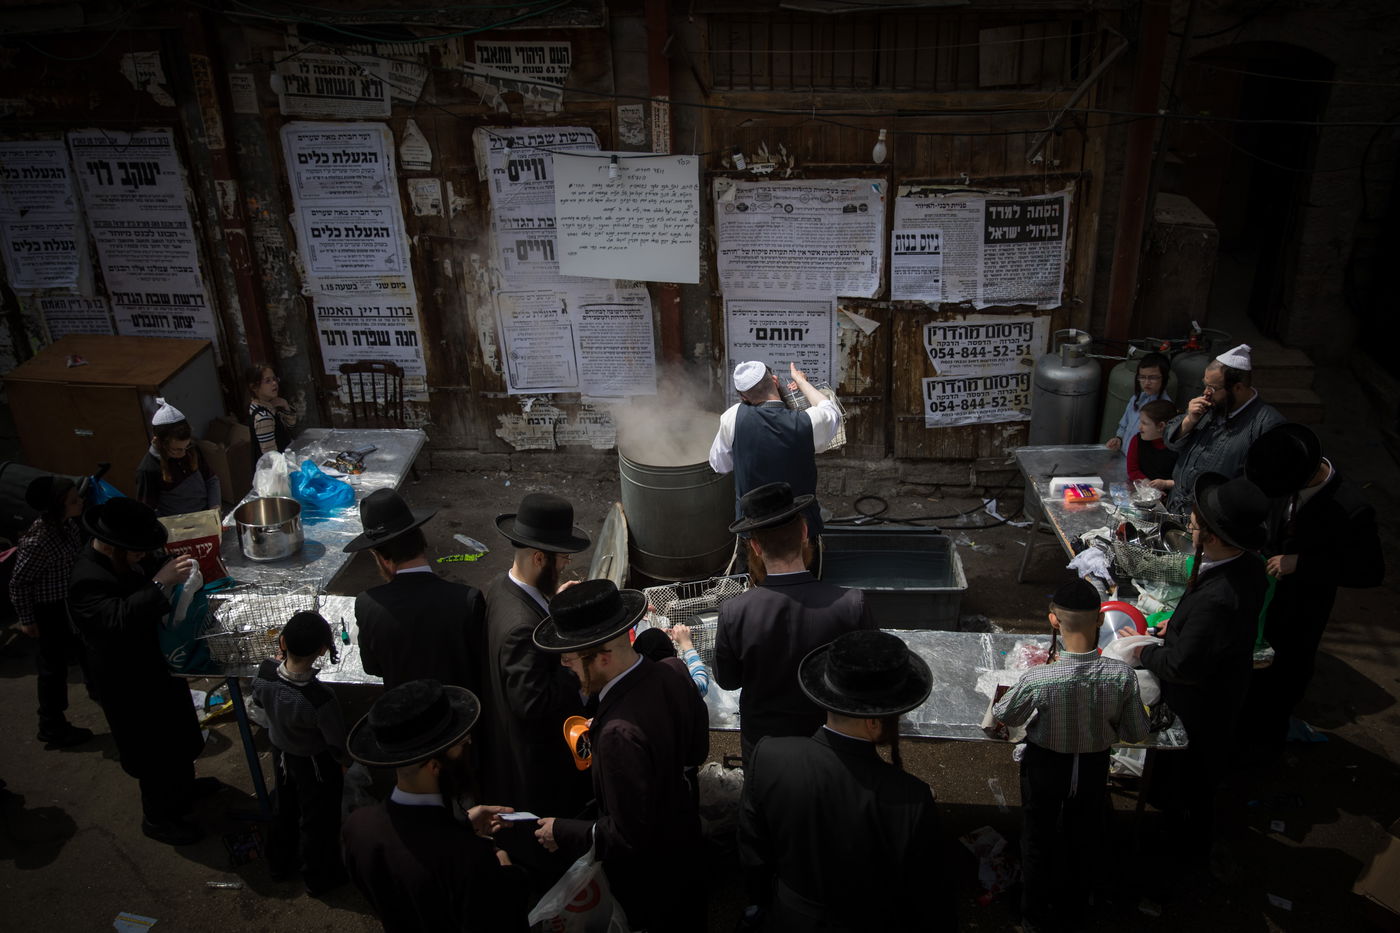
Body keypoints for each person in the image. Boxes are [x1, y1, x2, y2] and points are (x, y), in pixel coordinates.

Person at [738, 629, 954, 933]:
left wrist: (769, 902)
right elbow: (926, 899)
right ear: (874, 721)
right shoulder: (911, 798)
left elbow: (753, 855)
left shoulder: (769, 757)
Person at [532, 580, 710, 932]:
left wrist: (561, 831)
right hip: (686, 843)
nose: (565, 666)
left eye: (570, 657)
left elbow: (627, 836)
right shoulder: (673, 672)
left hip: (652, 881)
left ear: (603, 657)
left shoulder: (617, 734)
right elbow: (696, 751)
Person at [992, 578, 1150, 933]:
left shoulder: (1040, 678)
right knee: (1085, 836)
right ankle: (1076, 909)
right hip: (1093, 768)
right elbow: (1135, 732)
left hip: (1046, 768)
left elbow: (1006, 716)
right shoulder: (1122, 676)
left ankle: (1032, 914)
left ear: (1053, 620)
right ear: (1100, 619)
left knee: (1037, 836)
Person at [1135, 473, 1270, 867]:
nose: (1189, 527)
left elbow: (1182, 666)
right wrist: (1177, 626)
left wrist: (1142, 651)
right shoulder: (1247, 565)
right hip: (1224, 681)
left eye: (1194, 524)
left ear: (1211, 535)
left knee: (1189, 779)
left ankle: (1181, 855)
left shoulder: (1220, 598)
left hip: (1202, 702)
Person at [68, 497, 212, 846]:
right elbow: (117, 621)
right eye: (137, 552)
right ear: (112, 545)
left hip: (157, 668)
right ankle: (159, 818)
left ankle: (184, 790)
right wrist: (159, 583)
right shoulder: (87, 579)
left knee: (177, 738)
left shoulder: (130, 558)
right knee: (153, 754)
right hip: (127, 683)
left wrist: (174, 567)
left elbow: (153, 566)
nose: (143, 556)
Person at [1243, 424, 1385, 758]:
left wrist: (1303, 563)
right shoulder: (1281, 474)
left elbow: (1370, 572)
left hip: (1301, 612)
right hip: (1265, 598)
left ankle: (1265, 748)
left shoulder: (1350, 508)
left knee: (1282, 681)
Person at [342, 679, 528, 932]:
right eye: (461, 744)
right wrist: (506, 872)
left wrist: (460, 827)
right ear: (434, 766)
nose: (468, 744)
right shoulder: (470, 861)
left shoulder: (358, 827)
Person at [715, 482, 873, 760]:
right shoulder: (852, 605)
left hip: (766, 753)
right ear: (804, 532)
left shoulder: (733, 612)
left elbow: (728, 681)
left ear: (756, 547)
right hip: (835, 752)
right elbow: (872, 679)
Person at [479, 493, 593, 876]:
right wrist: (576, 667)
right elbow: (530, 702)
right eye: (562, 560)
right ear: (539, 558)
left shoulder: (500, 586)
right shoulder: (521, 628)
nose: (565, 566)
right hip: (536, 768)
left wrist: (555, 604)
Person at [347, 489, 487, 693]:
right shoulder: (467, 600)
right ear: (422, 542)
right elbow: (482, 663)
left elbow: (372, 667)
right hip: (462, 708)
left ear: (383, 559)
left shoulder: (367, 605)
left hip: (404, 708)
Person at [251, 611, 349, 896]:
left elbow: (258, 702)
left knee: (284, 808)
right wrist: (344, 763)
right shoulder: (319, 698)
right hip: (315, 764)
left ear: (282, 642)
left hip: (282, 754)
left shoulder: (264, 673)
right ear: (322, 650)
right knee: (319, 820)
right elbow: (336, 742)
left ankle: (279, 864)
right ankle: (320, 877)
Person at [709, 361, 842, 555]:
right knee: (805, 571)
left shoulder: (733, 416)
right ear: (775, 381)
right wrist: (801, 381)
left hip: (754, 528)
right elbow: (829, 410)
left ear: (743, 397)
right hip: (801, 529)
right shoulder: (807, 421)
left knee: (753, 573)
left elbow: (719, 465)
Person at [9, 475, 93, 748]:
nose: (80, 502)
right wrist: (27, 619)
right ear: (58, 506)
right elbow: (19, 583)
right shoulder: (38, 541)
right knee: (53, 670)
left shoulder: (67, 526)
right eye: (73, 501)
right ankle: (51, 725)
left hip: (70, 604)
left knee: (88, 654)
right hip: (50, 611)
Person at [1163, 344, 1284, 513]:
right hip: (1177, 506)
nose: (1206, 393)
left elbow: (1261, 485)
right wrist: (1189, 420)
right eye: (1205, 385)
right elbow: (1170, 442)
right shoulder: (1209, 404)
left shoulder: (1267, 424)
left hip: (1213, 516)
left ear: (1238, 388)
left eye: (1213, 388)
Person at [134, 398, 220, 517]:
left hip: (206, 515)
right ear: (159, 443)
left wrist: (215, 507)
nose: (183, 453)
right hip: (179, 524)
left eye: (186, 447)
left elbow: (211, 480)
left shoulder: (191, 449)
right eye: (176, 450)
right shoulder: (148, 470)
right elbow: (147, 513)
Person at [1106, 351, 1172, 450]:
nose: (1147, 382)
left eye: (1153, 378)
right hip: (1124, 454)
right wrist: (1119, 439)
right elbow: (1124, 425)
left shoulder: (1166, 408)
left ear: (1164, 378)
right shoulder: (1136, 399)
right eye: (1142, 377)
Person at [247, 362, 298, 471]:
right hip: (276, 470)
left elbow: (291, 424)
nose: (274, 383)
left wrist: (285, 405)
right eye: (267, 381)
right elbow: (271, 457)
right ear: (254, 387)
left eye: (274, 379)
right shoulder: (263, 417)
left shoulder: (268, 404)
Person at [634, 625, 710, 697]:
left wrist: (657, 636)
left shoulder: (637, 684)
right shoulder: (676, 689)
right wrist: (687, 644)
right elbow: (702, 682)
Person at [1126, 398, 1180, 489]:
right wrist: (1148, 485)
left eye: (1144, 423)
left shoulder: (1178, 447)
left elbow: (1184, 480)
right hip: (1143, 489)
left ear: (1161, 426)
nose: (1139, 427)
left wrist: (1166, 484)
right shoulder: (1137, 440)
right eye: (1140, 421)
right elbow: (1133, 470)